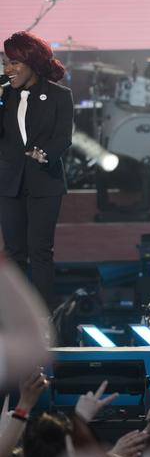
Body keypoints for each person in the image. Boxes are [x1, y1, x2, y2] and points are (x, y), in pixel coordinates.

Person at [0, 31, 73, 308]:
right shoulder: (4, 96)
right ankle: (15, 317)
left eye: (15, 63)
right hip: (9, 182)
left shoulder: (58, 96)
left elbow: (63, 137)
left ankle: (45, 317)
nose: (8, 69)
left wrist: (47, 155)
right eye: (6, 63)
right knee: (14, 252)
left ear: (32, 62)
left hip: (45, 181)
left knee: (40, 251)